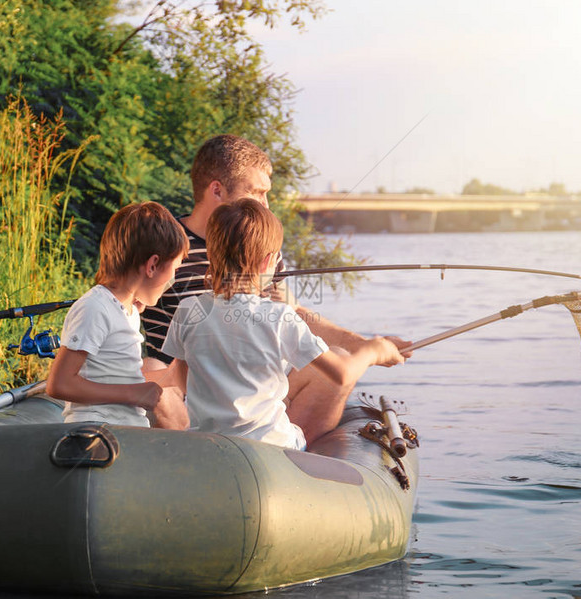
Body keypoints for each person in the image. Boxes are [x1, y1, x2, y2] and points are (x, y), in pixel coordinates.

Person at [141, 134, 412, 443]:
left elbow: (293, 316)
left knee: (334, 357)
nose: (266, 205)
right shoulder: (166, 246)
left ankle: (279, 470)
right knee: (153, 376)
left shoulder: (256, 249)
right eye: (257, 192)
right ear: (216, 189)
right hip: (185, 389)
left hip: (242, 389)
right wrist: (370, 353)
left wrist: (362, 343)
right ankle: (266, 454)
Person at [46, 201, 189, 429]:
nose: (172, 282)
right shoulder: (95, 308)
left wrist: (171, 376)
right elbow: (59, 384)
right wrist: (133, 394)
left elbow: (112, 375)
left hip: (122, 430)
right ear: (152, 265)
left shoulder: (126, 311)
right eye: (174, 270)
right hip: (96, 433)